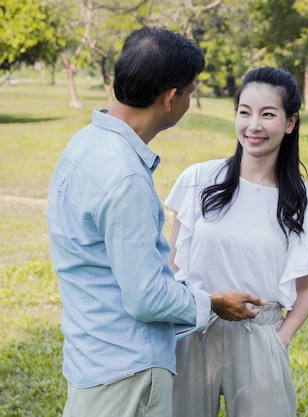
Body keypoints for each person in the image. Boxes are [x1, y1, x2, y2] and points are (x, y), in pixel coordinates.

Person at [46, 27, 265, 417]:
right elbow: (146, 297)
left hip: (90, 355)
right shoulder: (126, 177)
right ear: (170, 98)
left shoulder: (83, 144)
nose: (188, 99)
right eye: (190, 90)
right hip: (126, 371)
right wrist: (213, 302)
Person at [166, 66, 308, 417]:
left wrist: (281, 337)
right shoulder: (198, 179)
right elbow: (173, 263)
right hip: (194, 327)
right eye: (245, 112)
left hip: (261, 332)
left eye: (267, 114)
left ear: (290, 122)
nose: (253, 125)